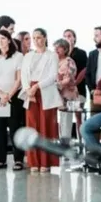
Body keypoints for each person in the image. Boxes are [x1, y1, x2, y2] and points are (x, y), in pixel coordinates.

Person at [20, 28, 62, 172]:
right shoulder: (28, 56)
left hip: (45, 91)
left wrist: (37, 86)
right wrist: (28, 89)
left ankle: (46, 162)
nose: (36, 40)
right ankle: (34, 162)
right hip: (31, 93)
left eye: (39, 37)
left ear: (45, 38)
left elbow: (52, 76)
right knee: (32, 126)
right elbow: (23, 75)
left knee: (46, 127)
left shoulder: (52, 55)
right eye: (34, 38)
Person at [0, 29, 25, 171]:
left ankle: (18, 159)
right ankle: (0, 159)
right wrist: (1, 95)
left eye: (2, 38)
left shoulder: (18, 56)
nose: (0, 42)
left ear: (8, 39)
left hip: (14, 97)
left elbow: (19, 79)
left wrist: (8, 95)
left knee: (15, 128)